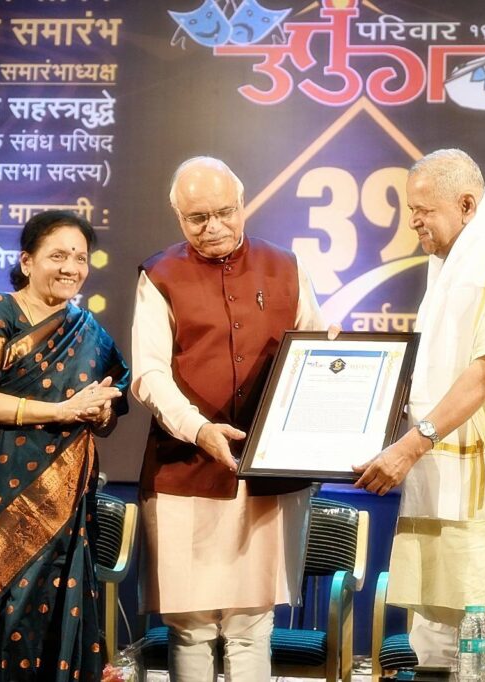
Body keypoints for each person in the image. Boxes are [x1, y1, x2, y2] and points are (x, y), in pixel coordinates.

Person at [353, 149, 485, 666]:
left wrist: (409, 447)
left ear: (466, 205)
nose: (413, 221)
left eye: (423, 210)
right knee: (432, 645)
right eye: (411, 209)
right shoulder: (448, 274)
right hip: (442, 493)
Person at [131, 156, 325, 681]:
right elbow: (149, 374)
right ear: (178, 216)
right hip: (183, 469)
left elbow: (316, 353)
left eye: (224, 212)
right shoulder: (159, 275)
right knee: (190, 626)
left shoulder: (286, 266)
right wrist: (198, 429)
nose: (213, 227)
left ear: (243, 206)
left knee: (251, 624)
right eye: (198, 218)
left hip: (269, 472)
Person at [0, 210, 129, 681]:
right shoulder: (0, 310)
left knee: (51, 619)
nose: (71, 268)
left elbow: (110, 407)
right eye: (57, 256)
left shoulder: (90, 332)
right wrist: (61, 411)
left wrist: (99, 413)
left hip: (61, 507)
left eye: (80, 258)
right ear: (26, 261)